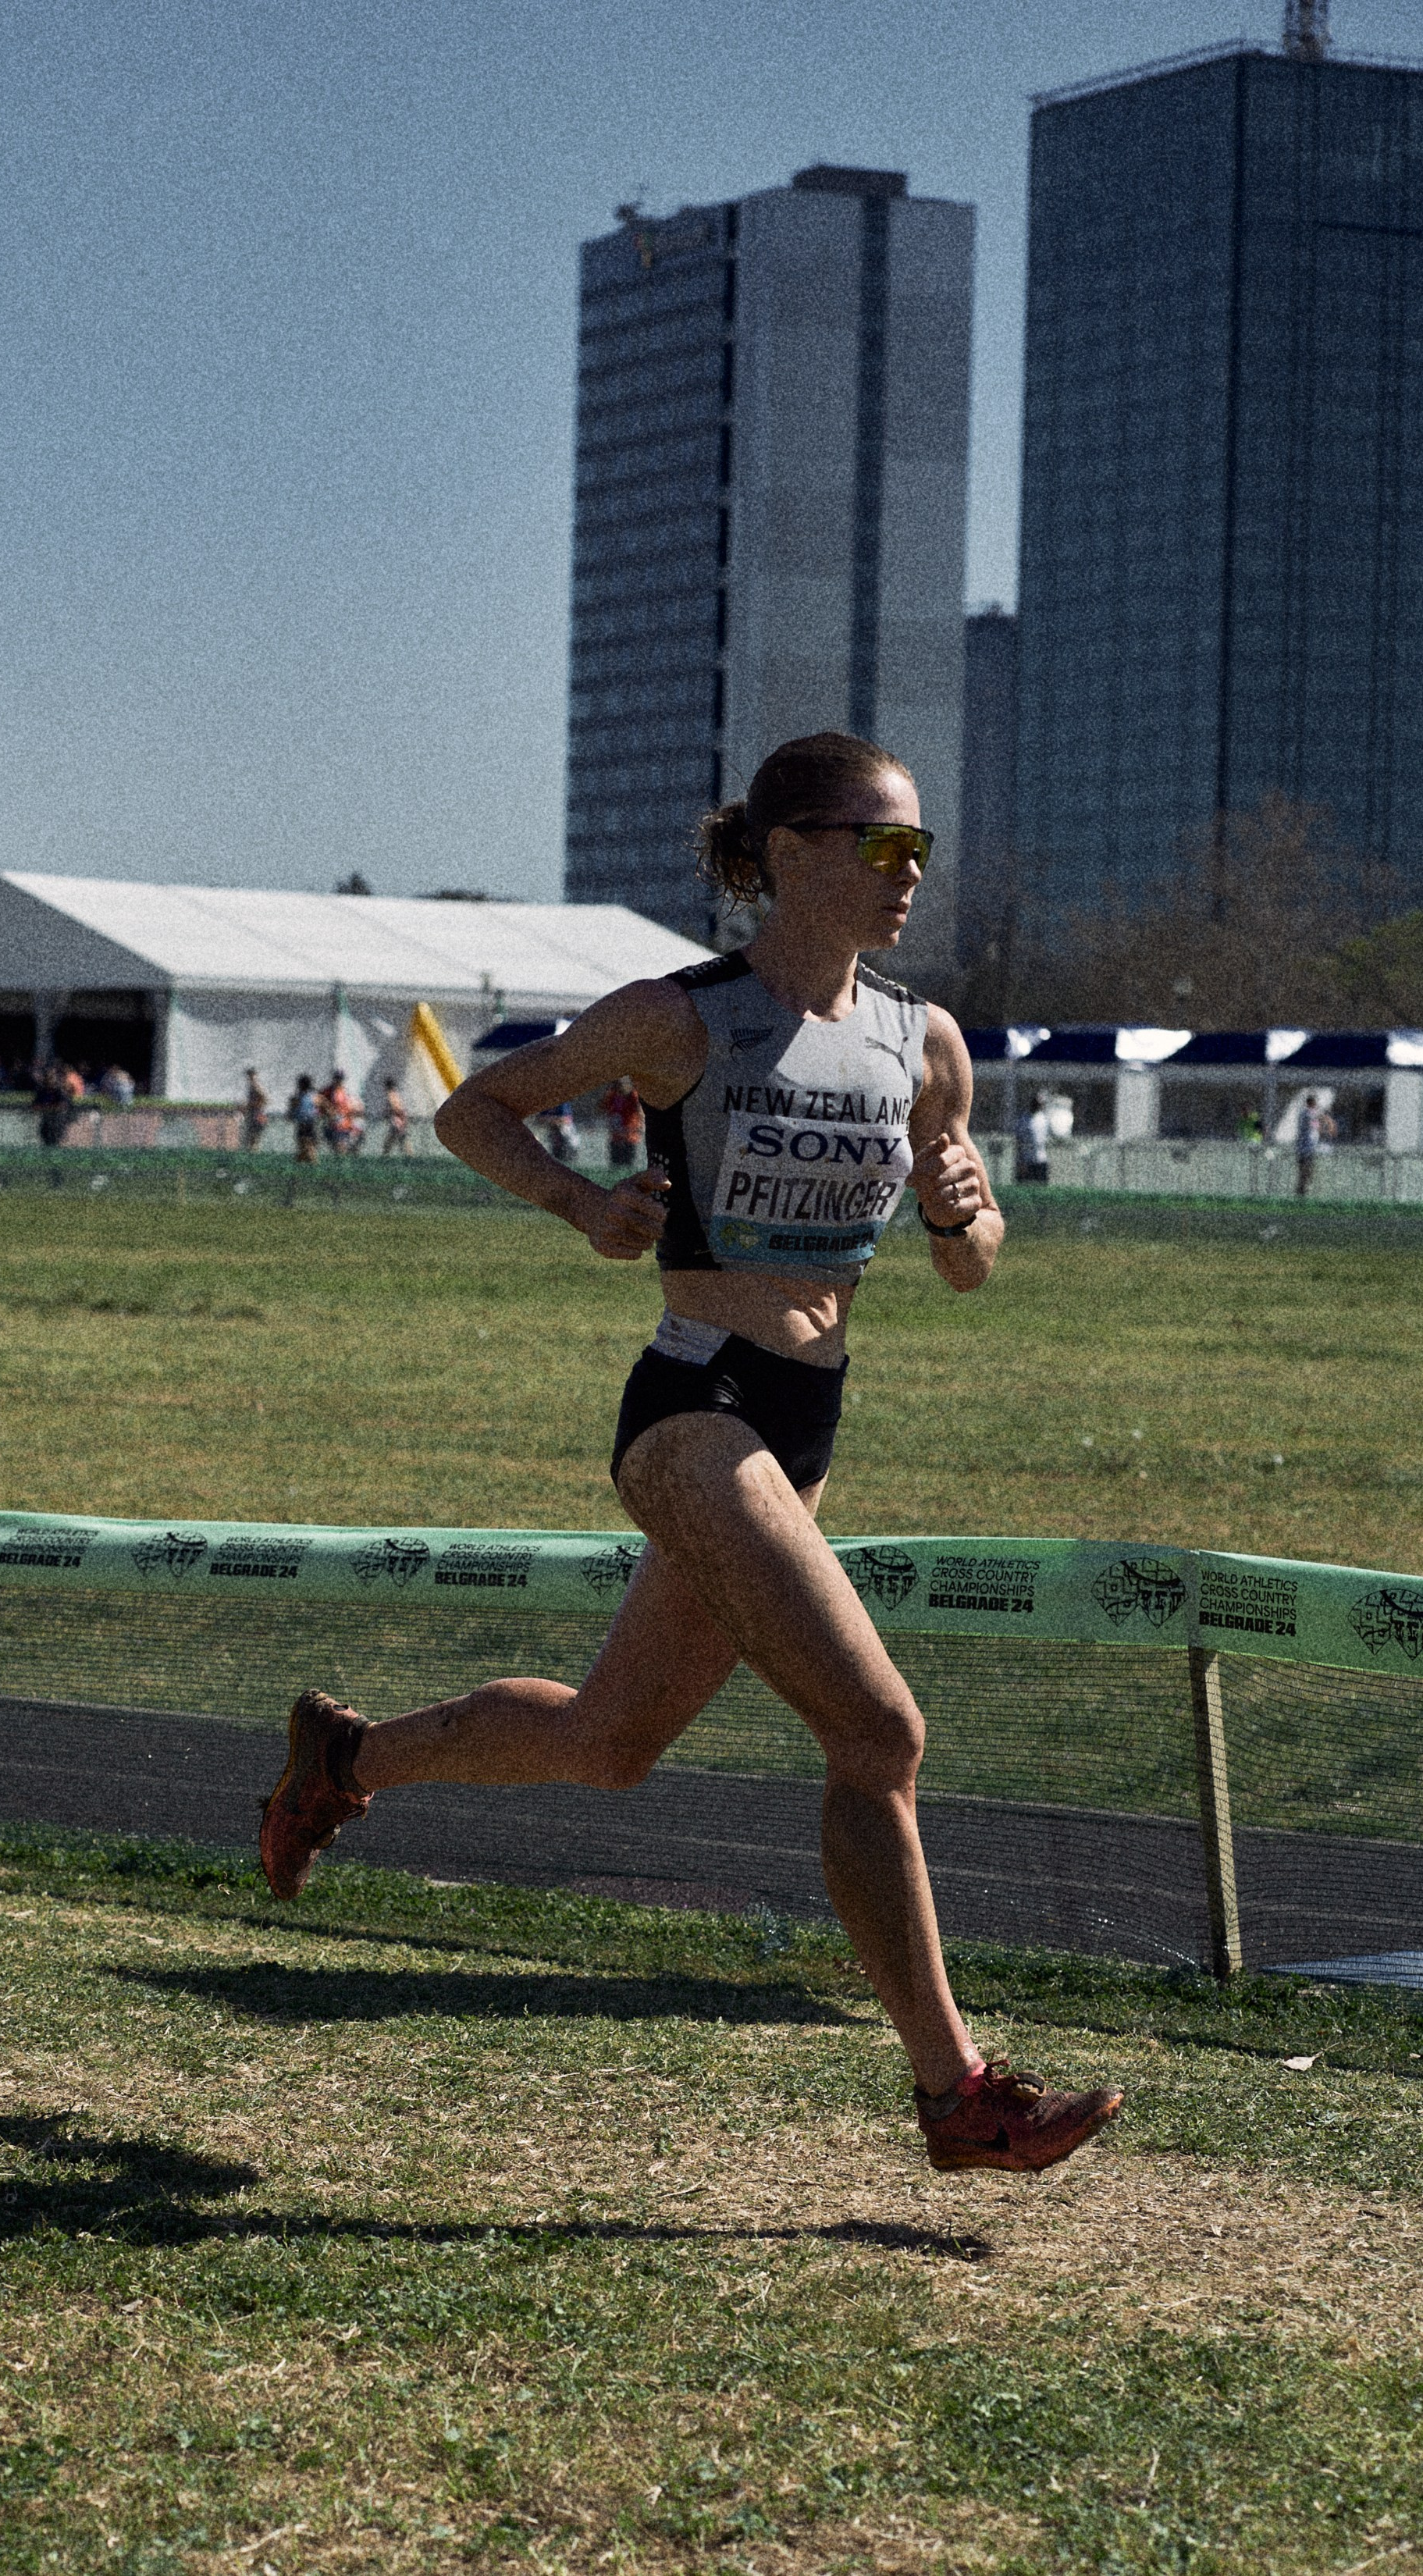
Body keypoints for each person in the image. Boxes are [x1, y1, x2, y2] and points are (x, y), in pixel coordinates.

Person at [260, 730, 1122, 2176]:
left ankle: (343, 1760)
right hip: (693, 1404)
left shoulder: (926, 1041)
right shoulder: (679, 1018)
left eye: (919, 848)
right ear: (787, 852)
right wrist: (579, 1205)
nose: (909, 873)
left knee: (608, 1744)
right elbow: (474, 1108)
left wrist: (963, 1211)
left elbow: (969, 1265)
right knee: (879, 1735)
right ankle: (958, 2095)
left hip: (806, 1423)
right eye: (881, 844)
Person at [1295, 1092, 1336, 1195]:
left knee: (1308, 1173)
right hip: (1304, 1149)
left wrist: (1327, 1130)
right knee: (1305, 1172)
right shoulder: (1306, 1113)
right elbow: (1320, 1118)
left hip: (1310, 1148)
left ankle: (1303, 1192)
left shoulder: (1311, 1115)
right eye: (1315, 1103)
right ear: (1311, 1103)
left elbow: (1317, 1128)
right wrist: (1329, 1122)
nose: (1316, 1105)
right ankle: (1301, 1194)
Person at [602, 1075, 644, 1169]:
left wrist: (641, 1126)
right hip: (616, 1137)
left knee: (628, 1167)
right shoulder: (612, 1096)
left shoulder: (633, 1096)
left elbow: (640, 1110)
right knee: (615, 1167)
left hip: (630, 1137)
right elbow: (602, 1109)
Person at [322, 1069, 365, 1155]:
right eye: (337, 1078)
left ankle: (349, 1154)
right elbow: (322, 1104)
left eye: (340, 1079)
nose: (338, 1081)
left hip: (344, 1124)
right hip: (334, 1124)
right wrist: (329, 1111)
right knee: (338, 1148)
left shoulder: (345, 1092)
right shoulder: (328, 1091)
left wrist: (355, 1112)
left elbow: (354, 1107)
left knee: (341, 1148)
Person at [1016, 1091, 1051, 1186]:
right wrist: (1021, 1161)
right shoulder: (1024, 1119)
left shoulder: (1044, 1119)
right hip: (1027, 1159)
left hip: (1041, 1159)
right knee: (1026, 1186)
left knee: (1041, 1186)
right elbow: (1019, 1142)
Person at [287, 1073, 321, 1164]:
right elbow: (325, 1108)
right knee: (307, 1148)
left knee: (306, 1148)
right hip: (312, 1124)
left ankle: (303, 1163)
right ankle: (306, 1163)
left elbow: (290, 1113)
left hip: (303, 1125)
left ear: (300, 1085)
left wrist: (291, 1116)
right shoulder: (315, 1097)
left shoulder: (297, 1098)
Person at [380, 1078, 412, 1158]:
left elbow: (396, 1108)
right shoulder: (396, 1094)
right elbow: (400, 1108)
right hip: (399, 1120)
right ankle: (385, 1156)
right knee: (394, 1140)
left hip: (396, 1120)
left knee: (400, 1139)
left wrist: (388, 1112)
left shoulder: (391, 1095)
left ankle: (410, 1156)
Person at [242, 1067, 269, 1154]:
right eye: (249, 1076)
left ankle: (254, 1153)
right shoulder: (252, 1086)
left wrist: (251, 1105)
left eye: (251, 1075)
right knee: (252, 1136)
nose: (250, 1078)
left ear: (255, 1076)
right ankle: (253, 1152)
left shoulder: (256, 1087)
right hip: (255, 1113)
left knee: (254, 1136)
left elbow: (266, 1099)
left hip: (257, 1114)